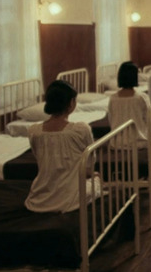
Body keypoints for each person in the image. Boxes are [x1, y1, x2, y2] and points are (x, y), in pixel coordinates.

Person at [25, 80, 95, 213]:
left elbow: (38, 158)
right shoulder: (81, 129)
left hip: (40, 198)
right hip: (72, 198)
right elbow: (89, 160)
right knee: (97, 180)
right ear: (71, 103)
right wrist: (92, 174)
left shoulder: (33, 131)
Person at [108, 61, 151, 147]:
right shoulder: (142, 97)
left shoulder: (112, 98)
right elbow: (149, 120)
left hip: (117, 142)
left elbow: (111, 120)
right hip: (139, 142)